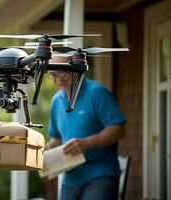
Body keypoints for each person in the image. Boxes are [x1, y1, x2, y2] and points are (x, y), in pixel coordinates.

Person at [45, 55, 126, 200]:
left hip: (100, 174)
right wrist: (44, 149)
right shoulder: (56, 101)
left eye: (63, 72)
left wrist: (87, 143)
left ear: (76, 68)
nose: (58, 78)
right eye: (53, 74)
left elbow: (118, 129)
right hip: (70, 177)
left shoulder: (96, 92)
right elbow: (57, 138)